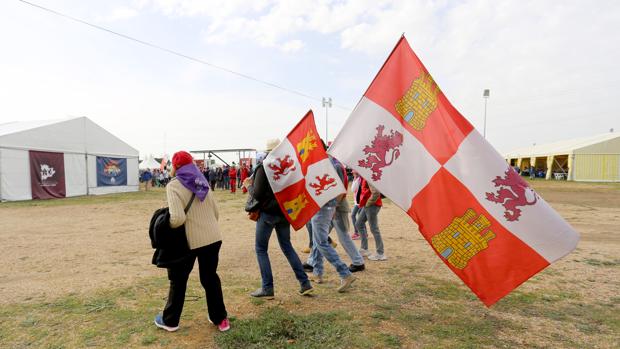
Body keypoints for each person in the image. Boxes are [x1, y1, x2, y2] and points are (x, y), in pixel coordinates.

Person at [154, 151, 230, 333]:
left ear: (175, 166)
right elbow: (216, 212)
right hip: (213, 237)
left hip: (189, 241)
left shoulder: (173, 185)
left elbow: (178, 218)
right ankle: (220, 319)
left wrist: (165, 224)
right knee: (210, 278)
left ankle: (170, 321)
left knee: (179, 280)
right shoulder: (202, 181)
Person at [249, 139, 313, 299]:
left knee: (261, 249)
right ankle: (305, 283)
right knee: (287, 246)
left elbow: (256, 194)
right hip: (284, 212)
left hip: (268, 214)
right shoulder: (289, 167)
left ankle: (267, 288)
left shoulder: (264, 167)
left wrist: (248, 185)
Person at [306, 143, 357, 292]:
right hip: (325, 206)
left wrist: (334, 206)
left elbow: (340, 189)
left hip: (323, 207)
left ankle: (345, 273)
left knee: (321, 242)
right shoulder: (330, 163)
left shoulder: (329, 164)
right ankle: (317, 272)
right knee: (318, 240)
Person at [355, 178, 386, 261]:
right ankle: (364, 249)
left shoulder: (368, 176)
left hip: (372, 205)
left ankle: (380, 253)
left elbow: (375, 193)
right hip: (368, 205)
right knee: (359, 224)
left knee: (374, 229)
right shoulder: (364, 176)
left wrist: (368, 203)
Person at [350, 171, 362, 240]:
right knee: (358, 216)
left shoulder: (358, 180)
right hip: (357, 201)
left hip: (359, 202)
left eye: (354, 173)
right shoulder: (358, 179)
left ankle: (357, 232)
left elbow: (352, 189)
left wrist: (354, 179)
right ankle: (360, 232)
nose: (352, 174)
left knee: (353, 215)